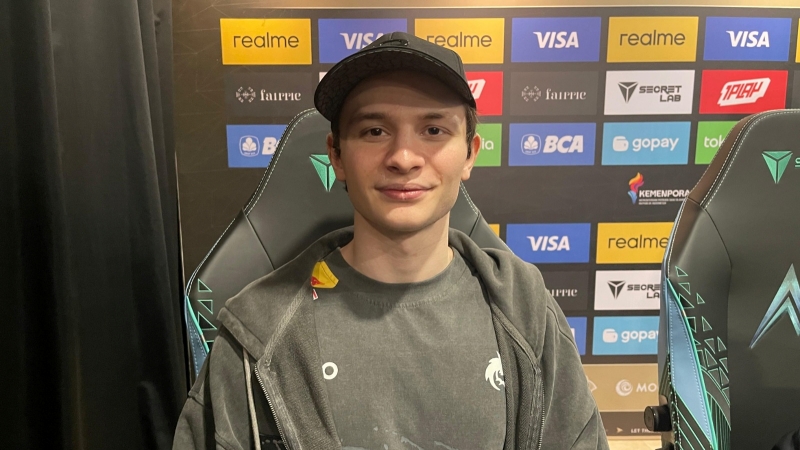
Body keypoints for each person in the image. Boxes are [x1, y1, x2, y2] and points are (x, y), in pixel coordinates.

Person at [173, 32, 609, 450]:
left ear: (470, 153)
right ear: (337, 155)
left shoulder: (529, 314)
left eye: (433, 130)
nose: (403, 158)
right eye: (374, 131)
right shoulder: (255, 333)